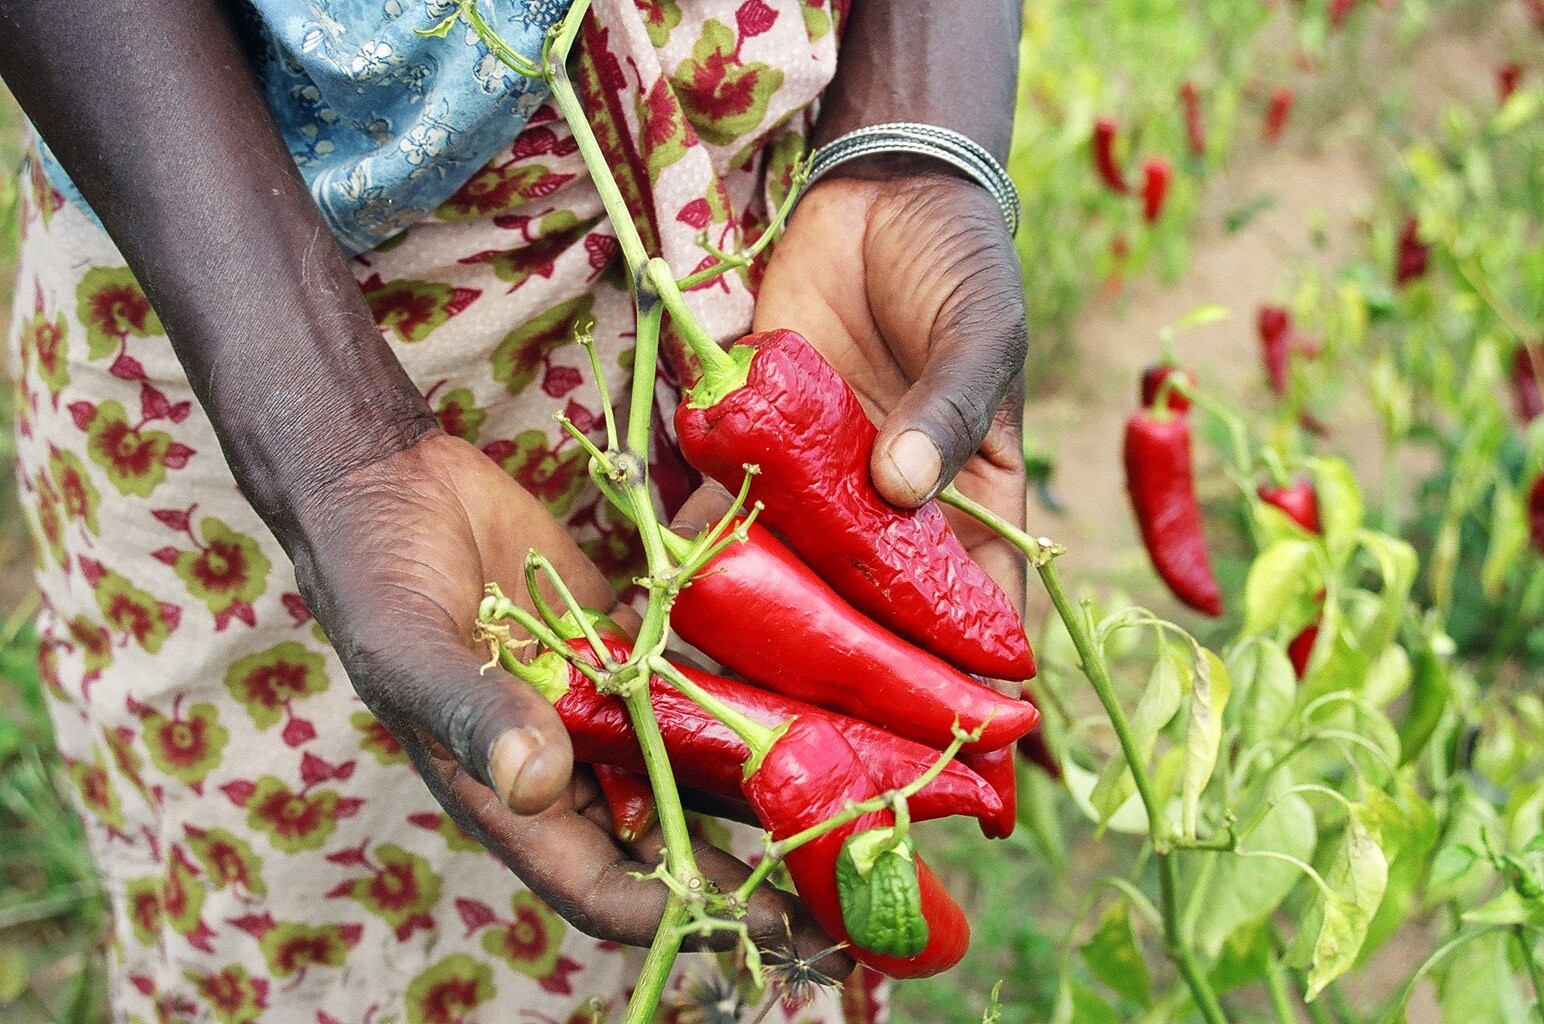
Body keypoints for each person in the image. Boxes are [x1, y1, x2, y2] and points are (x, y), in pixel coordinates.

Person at [0, 0, 1029, 1019]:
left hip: (770, 232)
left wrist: (909, 138)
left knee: (768, 887)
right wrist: (333, 453)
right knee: (316, 910)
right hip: (250, 304)